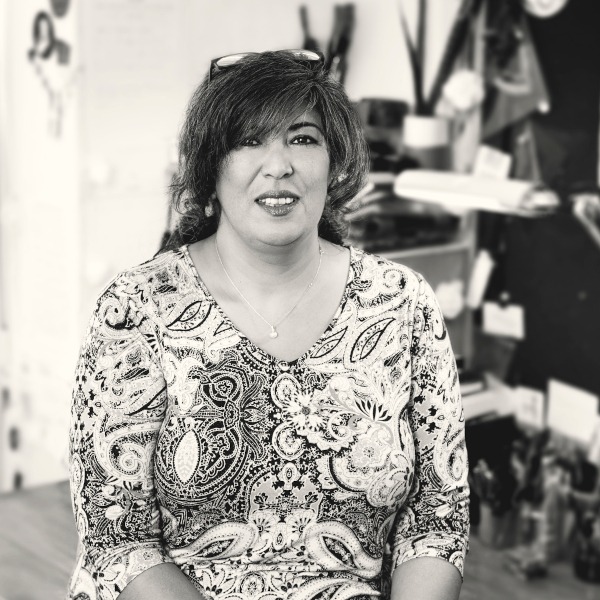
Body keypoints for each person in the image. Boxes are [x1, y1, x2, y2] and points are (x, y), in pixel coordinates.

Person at [67, 50, 469, 600]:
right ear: (210, 169)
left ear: (334, 163)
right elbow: (117, 539)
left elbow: (437, 520)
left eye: (302, 139)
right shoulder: (138, 308)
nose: (278, 164)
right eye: (247, 140)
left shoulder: (402, 303)